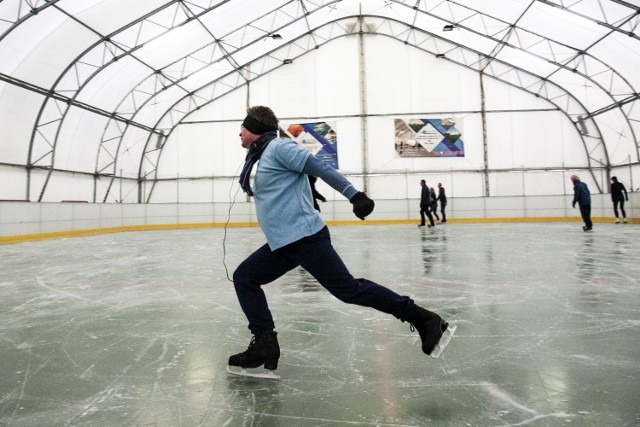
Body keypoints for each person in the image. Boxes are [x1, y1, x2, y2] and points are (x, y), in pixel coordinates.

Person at [229, 106, 453, 374]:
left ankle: (424, 318)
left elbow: (319, 166)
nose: (239, 134)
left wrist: (354, 195)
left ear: (253, 129)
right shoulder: (263, 156)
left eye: (242, 128)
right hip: (284, 243)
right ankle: (264, 341)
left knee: (348, 289)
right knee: (245, 277)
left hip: (304, 237)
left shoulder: (279, 148)